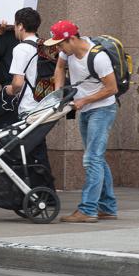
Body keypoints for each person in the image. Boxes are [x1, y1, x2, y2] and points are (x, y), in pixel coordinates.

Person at [48, 20, 119, 223]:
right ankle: (108, 207)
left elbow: (111, 88)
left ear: (71, 38)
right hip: (86, 108)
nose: (59, 49)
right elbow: (60, 68)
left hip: (103, 109)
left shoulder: (98, 58)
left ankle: (88, 210)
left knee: (92, 159)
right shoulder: (67, 52)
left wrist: (84, 100)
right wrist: (60, 94)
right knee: (96, 158)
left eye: (60, 44)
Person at [0, 7, 52, 177]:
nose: (14, 29)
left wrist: (8, 90)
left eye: (15, 25)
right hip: (44, 105)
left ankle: (42, 192)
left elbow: (17, 83)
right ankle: (44, 191)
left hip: (29, 107)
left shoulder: (21, 49)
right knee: (38, 150)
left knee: (32, 152)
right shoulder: (43, 45)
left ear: (20, 26)